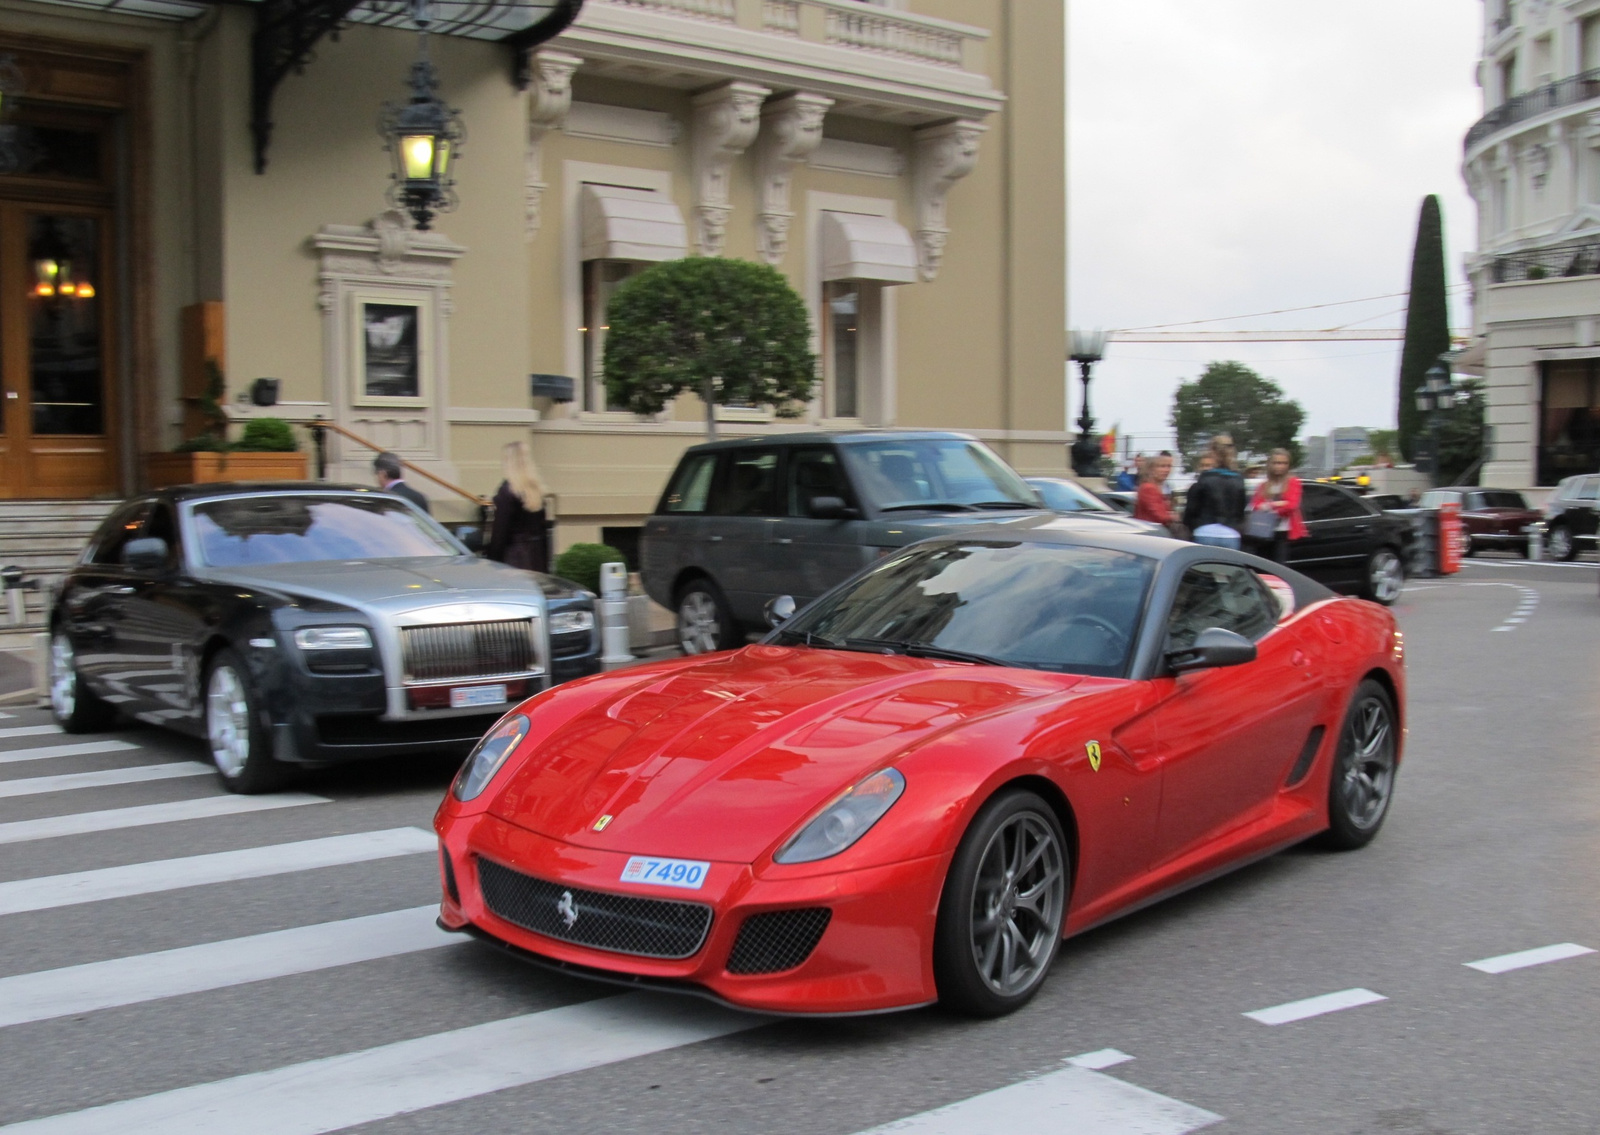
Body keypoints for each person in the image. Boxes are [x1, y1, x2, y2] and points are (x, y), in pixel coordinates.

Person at [487, 440, 551, 573]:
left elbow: (500, 533)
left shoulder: (507, 492)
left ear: (508, 462)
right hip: (537, 557)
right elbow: (544, 531)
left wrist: (492, 561)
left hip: (514, 559)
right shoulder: (537, 491)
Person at [1181, 434, 1246, 548]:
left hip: (1204, 531)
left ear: (1212, 452)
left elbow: (1191, 511)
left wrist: (1192, 526)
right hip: (1230, 533)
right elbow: (1241, 511)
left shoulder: (1204, 479)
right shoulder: (1238, 480)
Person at [1244, 448, 1306, 564]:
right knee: (1263, 568)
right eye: (1277, 463)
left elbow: (1291, 505)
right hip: (1264, 531)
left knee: (1279, 569)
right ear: (1270, 464)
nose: (1280, 466)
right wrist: (1280, 503)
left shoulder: (1293, 482)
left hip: (1282, 533)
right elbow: (1256, 506)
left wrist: (1269, 505)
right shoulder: (1264, 485)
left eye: (1284, 463)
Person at [1134, 451, 1182, 536]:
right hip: (1152, 535)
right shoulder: (1148, 488)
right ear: (1151, 469)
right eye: (1162, 466)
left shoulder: (1159, 487)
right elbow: (1160, 516)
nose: (1166, 470)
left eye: (1169, 466)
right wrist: (1172, 516)